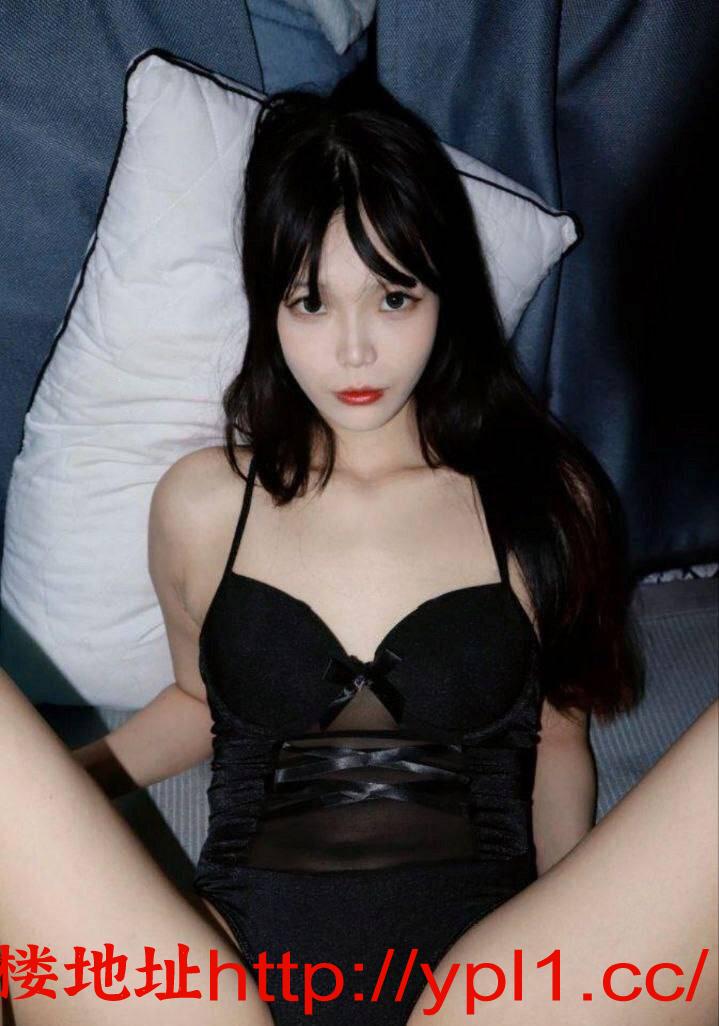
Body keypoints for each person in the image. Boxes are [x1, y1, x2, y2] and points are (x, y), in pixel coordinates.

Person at [1, 69, 716, 1026]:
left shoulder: (543, 497)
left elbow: (556, 734)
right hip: (231, 987)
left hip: (486, 995)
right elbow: (199, 700)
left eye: (392, 298)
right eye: (310, 302)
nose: (352, 352)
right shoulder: (204, 505)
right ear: (268, 307)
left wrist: (577, 912)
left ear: (445, 296)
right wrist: (67, 791)